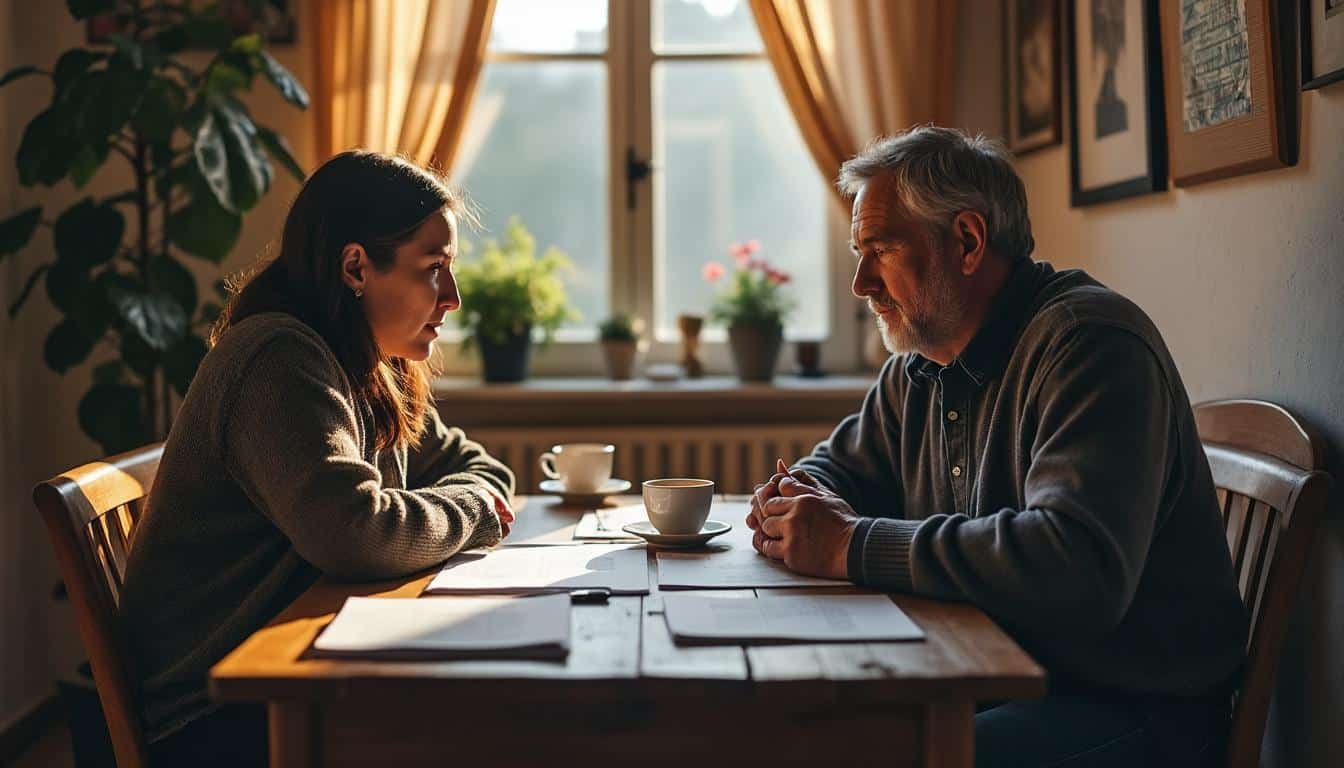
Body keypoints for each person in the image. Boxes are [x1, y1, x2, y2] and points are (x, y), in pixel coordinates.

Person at [745, 126, 1247, 767]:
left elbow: (1075, 567)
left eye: (882, 249)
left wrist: (849, 544)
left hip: (1128, 706)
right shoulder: (921, 363)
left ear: (967, 241)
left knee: (872, 751)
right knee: (801, 725)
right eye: (858, 253)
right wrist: (793, 500)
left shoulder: (1090, 345)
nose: (861, 282)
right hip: (995, 670)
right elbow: (837, 471)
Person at [120, 151, 516, 766]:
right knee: (494, 723)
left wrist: (469, 498)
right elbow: (354, 534)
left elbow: (476, 464)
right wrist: (477, 509)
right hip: (213, 713)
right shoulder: (278, 360)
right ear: (356, 266)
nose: (453, 298)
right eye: (434, 268)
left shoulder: (371, 362)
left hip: (290, 671)